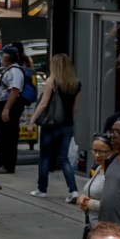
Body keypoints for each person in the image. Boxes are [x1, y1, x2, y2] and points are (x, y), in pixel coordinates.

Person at [29, 53, 82, 201]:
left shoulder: (51, 81)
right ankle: (73, 190)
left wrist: (32, 121)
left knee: (45, 157)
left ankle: (42, 189)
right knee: (63, 158)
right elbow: (76, 108)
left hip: (51, 125)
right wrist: (69, 122)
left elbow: (44, 104)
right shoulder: (76, 83)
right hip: (67, 125)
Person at [0, 46, 27, 174]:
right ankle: (1, 161)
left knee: (9, 137)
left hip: (8, 106)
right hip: (0, 105)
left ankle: (8, 165)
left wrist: (6, 109)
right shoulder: (8, 70)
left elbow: (15, 90)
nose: (1, 58)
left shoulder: (15, 71)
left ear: (8, 58)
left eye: (3, 55)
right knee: (0, 136)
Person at [74, 134, 113, 239]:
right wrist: (81, 199)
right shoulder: (98, 169)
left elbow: (115, 204)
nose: (97, 155)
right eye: (94, 151)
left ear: (113, 151)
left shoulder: (113, 174)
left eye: (102, 152)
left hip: (107, 231)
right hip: (93, 228)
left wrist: (88, 203)